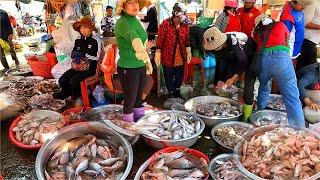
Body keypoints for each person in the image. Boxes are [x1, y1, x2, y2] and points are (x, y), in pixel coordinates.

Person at [253, 14, 305, 127]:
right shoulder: (281, 25)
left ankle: (259, 115)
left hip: (264, 60)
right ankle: (299, 129)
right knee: (292, 96)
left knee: (263, 88)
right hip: (281, 59)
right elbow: (287, 39)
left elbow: (258, 44)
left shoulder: (256, 32)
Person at [203, 27, 257, 121]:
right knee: (225, 79)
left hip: (250, 56)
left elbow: (243, 61)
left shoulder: (233, 41)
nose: (214, 50)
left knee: (248, 84)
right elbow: (221, 65)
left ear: (221, 42)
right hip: (234, 57)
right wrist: (219, 81)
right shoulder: (218, 49)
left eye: (215, 47)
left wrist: (233, 78)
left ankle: (246, 118)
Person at [115, 0, 153, 122]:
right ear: (123, 6)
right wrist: (145, 57)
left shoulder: (135, 20)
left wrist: (146, 60)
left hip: (139, 65)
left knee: (138, 99)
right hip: (128, 67)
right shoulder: (122, 22)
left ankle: (139, 122)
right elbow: (134, 38)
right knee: (130, 99)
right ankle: (129, 127)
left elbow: (143, 39)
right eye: (130, 3)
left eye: (136, 2)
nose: (134, 5)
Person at [54, 17, 101, 103]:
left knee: (74, 81)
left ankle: (78, 98)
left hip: (90, 68)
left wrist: (84, 55)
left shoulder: (95, 40)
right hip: (77, 67)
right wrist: (73, 55)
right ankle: (66, 93)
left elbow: (97, 57)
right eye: (81, 28)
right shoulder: (78, 40)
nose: (82, 30)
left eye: (85, 28)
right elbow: (73, 52)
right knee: (62, 80)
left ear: (91, 29)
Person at [155, 3, 192, 98]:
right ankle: (171, 93)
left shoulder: (185, 25)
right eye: (181, 16)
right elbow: (160, 39)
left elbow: (187, 39)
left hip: (181, 56)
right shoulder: (165, 24)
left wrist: (188, 51)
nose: (182, 19)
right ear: (175, 14)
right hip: (168, 55)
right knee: (169, 76)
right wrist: (158, 52)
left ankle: (177, 92)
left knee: (180, 75)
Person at [296, 0, 320, 71]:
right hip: (307, 41)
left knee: (310, 70)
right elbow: (305, 22)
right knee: (308, 70)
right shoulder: (313, 3)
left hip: (312, 41)